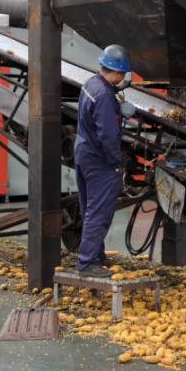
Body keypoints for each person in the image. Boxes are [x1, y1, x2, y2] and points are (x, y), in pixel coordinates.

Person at [73, 44, 130, 277]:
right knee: (99, 212)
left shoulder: (91, 84)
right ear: (116, 72)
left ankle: (96, 255)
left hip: (83, 154)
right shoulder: (105, 95)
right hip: (101, 162)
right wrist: (118, 162)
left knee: (89, 208)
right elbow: (108, 135)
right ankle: (86, 263)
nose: (123, 78)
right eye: (122, 74)